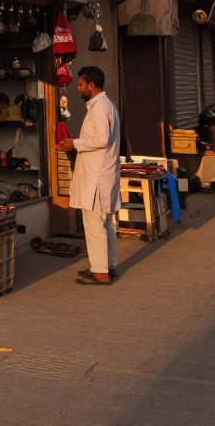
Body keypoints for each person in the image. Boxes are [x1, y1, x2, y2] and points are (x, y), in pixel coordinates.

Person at [57, 66, 121, 285]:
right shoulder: (104, 106)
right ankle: (107, 266)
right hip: (103, 175)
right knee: (106, 223)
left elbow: (102, 140)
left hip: (97, 178)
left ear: (91, 85)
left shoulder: (101, 107)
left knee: (94, 225)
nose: (79, 89)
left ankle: (101, 272)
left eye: (81, 84)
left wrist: (74, 143)